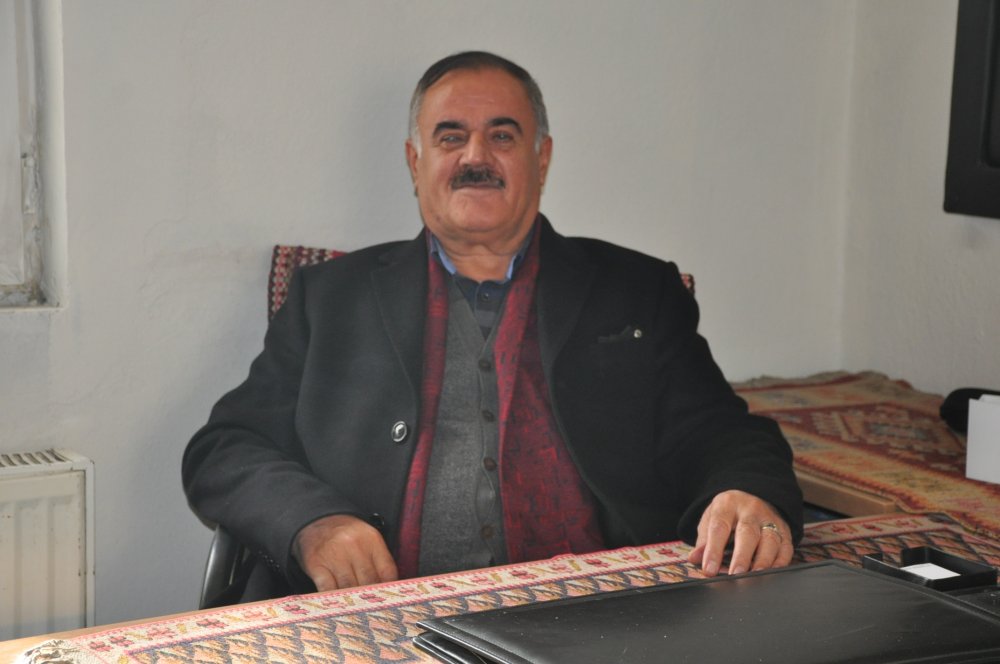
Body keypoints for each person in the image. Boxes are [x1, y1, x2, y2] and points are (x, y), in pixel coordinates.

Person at [183, 51, 803, 603]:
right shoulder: (330, 298)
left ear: (542, 158)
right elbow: (226, 446)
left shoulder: (638, 289)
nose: (475, 157)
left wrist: (746, 489)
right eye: (450, 137)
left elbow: (721, 432)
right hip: (380, 619)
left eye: (502, 136)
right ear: (415, 161)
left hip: (602, 617)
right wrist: (313, 523)